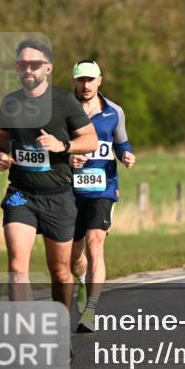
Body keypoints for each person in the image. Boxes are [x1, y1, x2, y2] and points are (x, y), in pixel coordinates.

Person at [0, 39, 97, 312]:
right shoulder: (11, 102)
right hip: (21, 194)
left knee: (60, 272)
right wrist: (0, 154)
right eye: (22, 64)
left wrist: (62, 145)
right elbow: (1, 136)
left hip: (58, 197)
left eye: (35, 64)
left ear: (48, 68)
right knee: (17, 267)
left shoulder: (64, 102)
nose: (28, 69)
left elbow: (90, 139)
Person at [68, 60, 136, 332]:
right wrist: (68, 158)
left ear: (100, 80)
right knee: (74, 256)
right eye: (81, 80)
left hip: (103, 188)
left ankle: (91, 311)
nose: (86, 85)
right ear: (74, 81)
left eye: (90, 80)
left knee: (95, 244)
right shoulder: (63, 110)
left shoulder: (114, 111)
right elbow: (52, 147)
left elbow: (121, 142)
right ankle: (82, 283)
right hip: (69, 190)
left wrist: (126, 154)